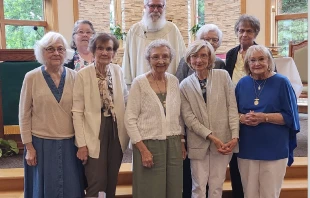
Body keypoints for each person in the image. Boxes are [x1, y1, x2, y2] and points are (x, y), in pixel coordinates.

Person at [19, 31, 84, 198]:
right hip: (41, 145)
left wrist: (83, 143)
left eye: (61, 49)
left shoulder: (75, 77)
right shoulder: (31, 77)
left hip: (70, 144)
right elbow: (24, 114)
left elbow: (80, 113)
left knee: (71, 189)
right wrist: (29, 147)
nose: (56, 53)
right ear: (42, 52)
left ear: (66, 52)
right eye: (50, 49)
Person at [235, 45, 300, 198]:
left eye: (261, 59)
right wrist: (241, 118)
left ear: (269, 61)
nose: (257, 63)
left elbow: (291, 117)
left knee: (269, 194)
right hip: (247, 147)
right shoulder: (242, 84)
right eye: (252, 60)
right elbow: (233, 112)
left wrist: (264, 117)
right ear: (247, 64)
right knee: (249, 193)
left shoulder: (282, 82)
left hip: (274, 148)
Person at [124, 39, 186, 198]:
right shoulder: (139, 83)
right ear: (148, 59)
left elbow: (178, 115)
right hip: (148, 144)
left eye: (165, 56)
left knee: (174, 189)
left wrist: (182, 142)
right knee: (150, 191)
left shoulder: (173, 81)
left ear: (170, 59)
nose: (161, 61)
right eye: (155, 57)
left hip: (173, 143)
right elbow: (130, 119)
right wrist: (143, 150)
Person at [72, 33, 129, 197]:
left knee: (111, 179)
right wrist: (81, 145)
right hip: (94, 132)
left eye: (109, 49)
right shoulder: (83, 75)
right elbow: (77, 112)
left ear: (114, 52)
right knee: (96, 181)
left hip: (116, 130)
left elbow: (125, 99)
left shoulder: (117, 70)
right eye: (100, 48)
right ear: (93, 50)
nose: (105, 52)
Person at [180, 40, 239, 198]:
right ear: (189, 59)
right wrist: (210, 136)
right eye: (194, 56)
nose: (199, 60)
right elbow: (189, 118)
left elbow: (232, 107)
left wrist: (235, 136)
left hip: (224, 141)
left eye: (203, 55)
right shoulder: (184, 85)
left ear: (210, 58)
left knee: (216, 185)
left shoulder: (223, 76)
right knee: (198, 186)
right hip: (198, 142)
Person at [176, 24, 225, 197]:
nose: (210, 42)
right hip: (195, 134)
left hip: (220, 133)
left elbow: (227, 103)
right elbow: (183, 107)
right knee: (197, 182)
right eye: (206, 39)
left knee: (216, 183)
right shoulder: (185, 77)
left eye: (214, 39)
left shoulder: (221, 68)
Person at [224, 14, 261, 198]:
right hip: (234, 110)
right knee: (235, 159)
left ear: (255, 33)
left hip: (255, 111)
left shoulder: (261, 53)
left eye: (249, 31)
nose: (244, 34)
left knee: (252, 162)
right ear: (236, 32)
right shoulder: (231, 54)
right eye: (241, 30)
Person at [122, 0, 186, 85]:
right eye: (152, 6)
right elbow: (127, 60)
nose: (155, 10)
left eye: (159, 6)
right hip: (141, 86)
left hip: (168, 85)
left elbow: (183, 61)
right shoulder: (135, 30)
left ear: (164, 8)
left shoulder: (172, 29)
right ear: (145, 7)